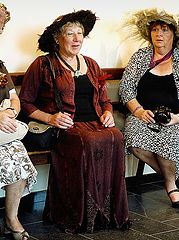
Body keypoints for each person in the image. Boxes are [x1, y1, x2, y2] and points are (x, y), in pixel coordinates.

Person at [19, 10, 130, 233]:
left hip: (95, 122)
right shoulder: (43, 64)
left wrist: (107, 112)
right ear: (57, 39)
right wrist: (51, 117)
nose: (77, 38)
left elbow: (105, 99)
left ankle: (107, 212)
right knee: (87, 141)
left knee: (116, 136)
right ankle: (81, 214)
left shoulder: (92, 64)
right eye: (70, 34)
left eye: (80, 33)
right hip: (66, 127)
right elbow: (26, 103)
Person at [119, 8, 179, 209]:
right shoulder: (141, 57)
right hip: (143, 115)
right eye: (155, 30)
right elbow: (126, 88)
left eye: (165, 30)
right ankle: (172, 178)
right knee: (133, 140)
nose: (159, 34)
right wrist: (138, 111)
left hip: (177, 116)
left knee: (170, 141)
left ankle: (169, 184)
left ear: (174, 34)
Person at [0, 3, 37, 240]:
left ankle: (11, 217)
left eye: (1, 25)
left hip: (2, 130)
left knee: (19, 156)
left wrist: (12, 112)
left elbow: (15, 99)